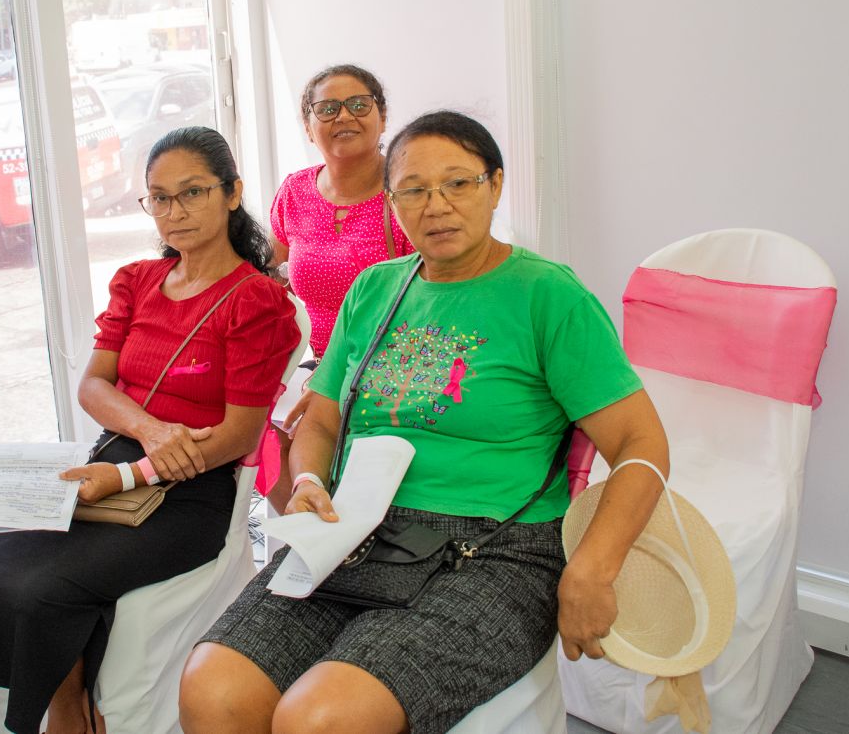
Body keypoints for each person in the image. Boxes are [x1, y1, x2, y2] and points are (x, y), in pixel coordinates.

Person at [179, 111, 671, 734]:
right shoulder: (374, 289)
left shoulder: (548, 296)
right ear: (391, 202)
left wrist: (593, 568)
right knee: (212, 690)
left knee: (321, 719)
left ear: (495, 185)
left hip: (497, 549)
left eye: (458, 183)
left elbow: (641, 444)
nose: (436, 205)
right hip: (355, 529)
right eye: (413, 189)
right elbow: (321, 421)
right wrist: (307, 482)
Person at [0, 127, 301, 734]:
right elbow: (93, 386)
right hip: (109, 465)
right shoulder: (137, 281)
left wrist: (132, 471)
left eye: (193, 192)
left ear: (232, 193)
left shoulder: (256, 301)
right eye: (159, 198)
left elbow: (238, 436)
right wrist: (149, 433)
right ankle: (69, 701)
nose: (174, 212)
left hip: (193, 490)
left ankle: (67, 715)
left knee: (44, 590)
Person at [262, 64, 414, 509]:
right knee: (256, 429)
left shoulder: (406, 194)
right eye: (327, 109)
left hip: (390, 365)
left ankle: (347, 532)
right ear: (308, 127)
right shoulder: (295, 192)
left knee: (316, 430)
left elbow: (428, 299)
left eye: (358, 105)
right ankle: (310, 533)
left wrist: (334, 383)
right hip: (316, 363)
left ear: (382, 118)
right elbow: (267, 274)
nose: (343, 116)